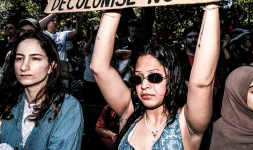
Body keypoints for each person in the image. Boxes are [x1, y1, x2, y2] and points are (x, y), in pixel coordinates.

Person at [90, 3, 220, 150]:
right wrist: (113, 7)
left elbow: (201, 83)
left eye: (154, 77)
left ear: (172, 79)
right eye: (137, 79)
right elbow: (99, 67)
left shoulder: (187, 123)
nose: (144, 85)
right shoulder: (129, 113)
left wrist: (212, 7)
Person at [0, 31, 84, 150]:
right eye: (19, 58)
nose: (24, 67)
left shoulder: (67, 108)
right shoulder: (7, 101)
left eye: (35, 58)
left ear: (51, 66)